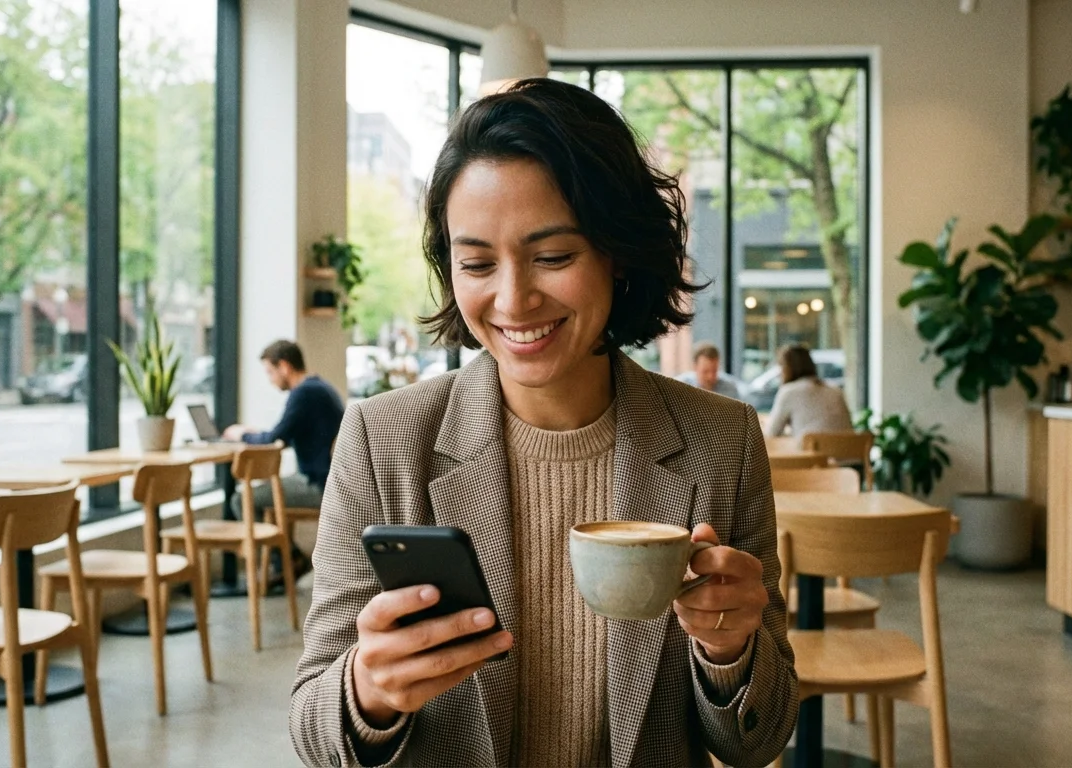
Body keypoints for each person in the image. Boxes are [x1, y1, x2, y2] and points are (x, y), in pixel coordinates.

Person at [290, 78, 796, 768]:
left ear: (616, 255)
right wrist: (368, 688)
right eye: (475, 263)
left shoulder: (721, 443)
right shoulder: (383, 441)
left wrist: (730, 648)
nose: (513, 298)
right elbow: (314, 726)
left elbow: (759, 741)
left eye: (553, 257)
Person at [223, 339, 345, 579]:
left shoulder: (304, 393)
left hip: (318, 483)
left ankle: (286, 562)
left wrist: (242, 434)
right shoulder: (319, 387)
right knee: (266, 493)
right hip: (329, 478)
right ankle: (289, 560)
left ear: (285, 367)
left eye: (270, 371)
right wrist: (255, 433)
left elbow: (276, 438)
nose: (270, 379)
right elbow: (283, 437)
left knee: (241, 498)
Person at [764, 344, 853, 440]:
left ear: (787, 368)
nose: (779, 373)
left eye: (781, 365)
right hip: (846, 452)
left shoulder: (789, 392)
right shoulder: (835, 390)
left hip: (811, 452)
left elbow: (771, 434)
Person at [676, 341, 746, 400]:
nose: (711, 376)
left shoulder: (730, 389)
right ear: (694, 367)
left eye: (714, 370)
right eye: (705, 371)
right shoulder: (680, 387)